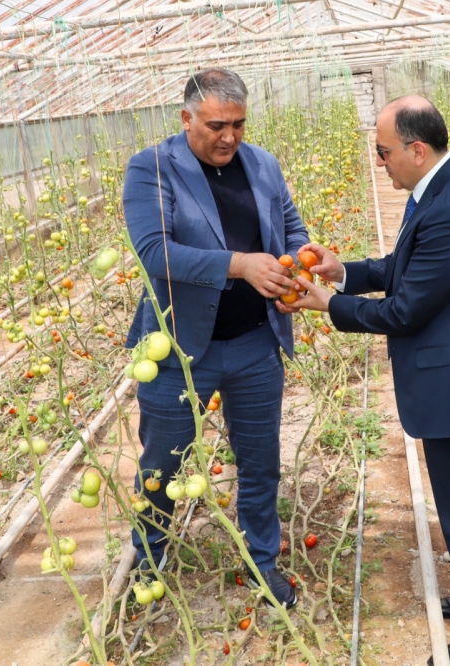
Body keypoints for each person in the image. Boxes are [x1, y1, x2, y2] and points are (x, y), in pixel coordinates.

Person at [278, 96, 450, 665]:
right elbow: (407, 268)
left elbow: (405, 310)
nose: (378, 162)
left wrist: (328, 303)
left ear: (417, 149)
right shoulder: (438, 190)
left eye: (383, 152)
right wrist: (345, 271)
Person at [123, 68, 308, 609]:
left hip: (255, 342)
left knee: (260, 461)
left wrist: (296, 264)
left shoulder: (263, 164)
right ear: (186, 119)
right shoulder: (152, 167)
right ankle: (150, 558)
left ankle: (261, 560)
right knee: (162, 464)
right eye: (216, 126)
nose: (229, 137)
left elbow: (292, 228)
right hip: (179, 349)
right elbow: (154, 251)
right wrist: (240, 265)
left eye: (238, 124)